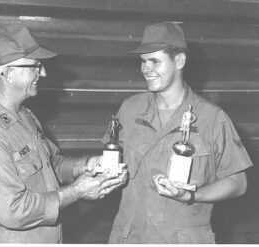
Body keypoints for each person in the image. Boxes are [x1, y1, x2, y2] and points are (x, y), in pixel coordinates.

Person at [0, 24, 127, 243]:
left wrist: (86, 165)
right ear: (8, 74)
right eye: (35, 66)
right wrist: (76, 191)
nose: (43, 73)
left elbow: (52, 163)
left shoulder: (25, 116)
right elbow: (14, 210)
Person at [104, 22, 253, 244]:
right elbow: (109, 161)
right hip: (130, 237)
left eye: (155, 61)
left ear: (180, 61)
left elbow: (238, 182)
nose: (146, 69)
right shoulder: (129, 109)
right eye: (143, 61)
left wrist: (191, 195)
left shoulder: (212, 117)